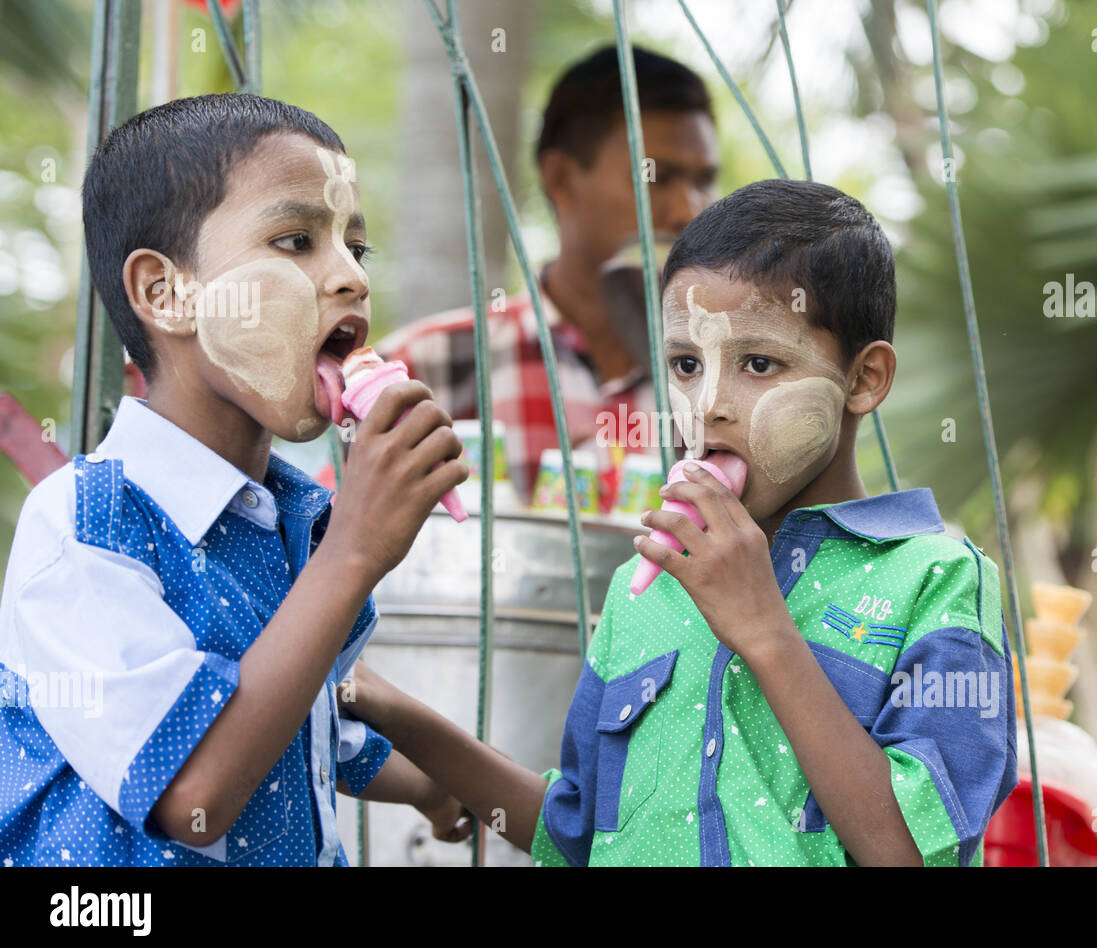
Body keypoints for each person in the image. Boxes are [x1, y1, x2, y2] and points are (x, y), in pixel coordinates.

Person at [340, 179, 1020, 866]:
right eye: (686, 364)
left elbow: (910, 854)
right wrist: (391, 708)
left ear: (864, 378)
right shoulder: (645, 587)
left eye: (759, 363)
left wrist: (764, 630)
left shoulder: (936, 581)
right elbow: (575, 832)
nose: (708, 403)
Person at [0, 93, 471, 865]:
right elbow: (194, 794)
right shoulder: (86, 526)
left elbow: (298, 722)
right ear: (166, 294)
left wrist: (429, 787)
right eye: (296, 241)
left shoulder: (293, 518)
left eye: (357, 248)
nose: (350, 277)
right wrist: (354, 552)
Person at [377, 44, 720, 503]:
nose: (688, 210)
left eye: (704, 182)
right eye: (656, 177)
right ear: (560, 179)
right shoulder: (426, 368)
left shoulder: (726, 381)